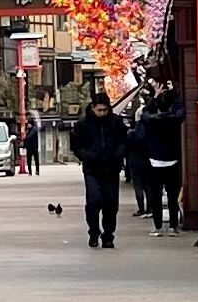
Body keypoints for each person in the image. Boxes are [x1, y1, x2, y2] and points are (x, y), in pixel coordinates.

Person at [69, 88, 130, 249]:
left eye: (105, 110)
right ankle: (94, 232)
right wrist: (86, 155)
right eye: (99, 110)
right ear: (93, 108)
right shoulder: (83, 125)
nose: (102, 113)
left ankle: (108, 235)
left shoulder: (116, 123)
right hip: (92, 169)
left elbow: (124, 141)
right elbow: (76, 145)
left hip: (112, 168)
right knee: (93, 201)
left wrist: (118, 154)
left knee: (111, 204)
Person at [138, 93, 185, 232]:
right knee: (172, 196)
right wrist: (173, 93)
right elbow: (181, 111)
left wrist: (154, 97)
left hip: (154, 161)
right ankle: (173, 226)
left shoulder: (151, 121)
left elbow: (144, 113)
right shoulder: (174, 120)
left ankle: (157, 227)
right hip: (173, 159)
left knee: (155, 197)